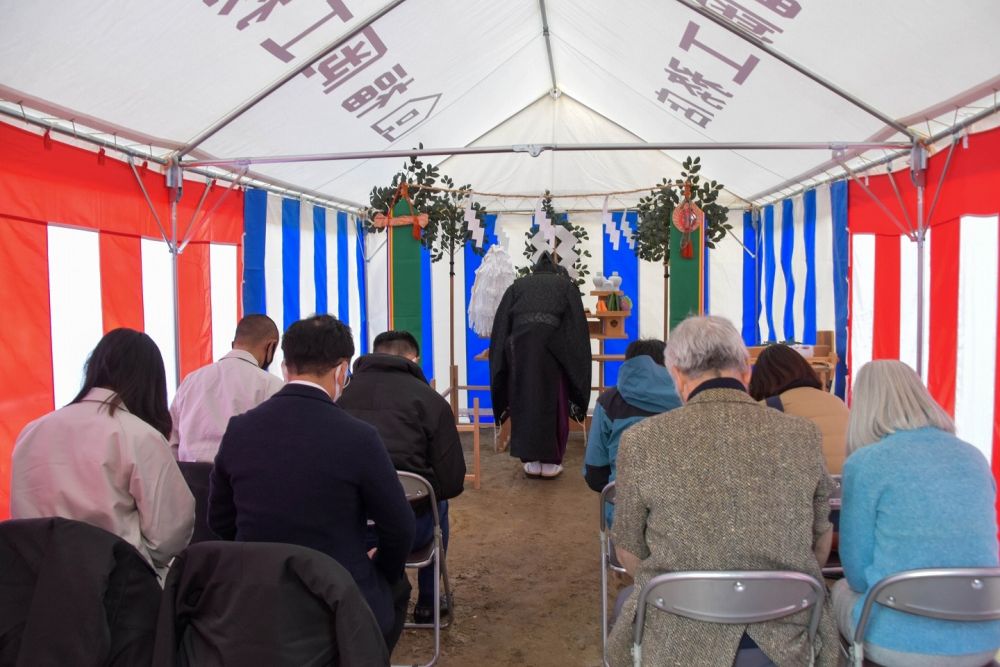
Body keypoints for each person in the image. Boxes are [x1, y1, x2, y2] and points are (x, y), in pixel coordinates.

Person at [607, 316, 838, 667]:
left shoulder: (642, 440)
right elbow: (819, 545)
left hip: (678, 636)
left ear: (677, 376)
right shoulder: (801, 434)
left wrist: (691, 595)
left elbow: (628, 550)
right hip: (785, 637)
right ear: (746, 372)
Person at [208, 315, 415, 650]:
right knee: (397, 588)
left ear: (285, 367)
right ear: (341, 371)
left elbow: (219, 519)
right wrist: (379, 568)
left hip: (258, 597)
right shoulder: (359, 438)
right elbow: (400, 527)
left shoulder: (239, 430)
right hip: (337, 600)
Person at [833, 360, 1000, 667]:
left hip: (897, 644)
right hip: (984, 638)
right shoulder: (973, 456)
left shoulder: (864, 463)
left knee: (837, 590)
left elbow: (856, 574)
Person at [11, 328, 195, 580]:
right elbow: (170, 535)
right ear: (151, 382)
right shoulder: (140, 436)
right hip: (117, 593)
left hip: (37, 589)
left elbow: (22, 523)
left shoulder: (32, 431)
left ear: (95, 368)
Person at [338, 329, 466, 624]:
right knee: (439, 505)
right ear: (415, 359)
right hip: (412, 529)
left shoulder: (342, 396)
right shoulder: (431, 401)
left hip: (352, 527)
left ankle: (360, 599)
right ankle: (428, 603)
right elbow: (452, 482)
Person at [489, 251, 591, 479]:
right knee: (555, 404)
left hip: (521, 356)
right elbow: (576, 330)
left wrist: (505, 355)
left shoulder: (517, 287)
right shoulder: (566, 286)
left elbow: (502, 327)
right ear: (554, 270)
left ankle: (531, 461)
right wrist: (572, 358)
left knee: (524, 401)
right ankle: (551, 462)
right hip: (555, 356)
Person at [583, 338, 680, 525]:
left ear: (628, 364)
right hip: (679, 515)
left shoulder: (608, 402)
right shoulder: (688, 400)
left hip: (625, 514)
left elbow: (594, 472)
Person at [170, 314, 284, 462]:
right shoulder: (271, 385)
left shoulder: (191, 380)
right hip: (240, 481)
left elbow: (171, 442)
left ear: (233, 344)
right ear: (271, 347)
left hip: (188, 480)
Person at [749, 343, 849, 474]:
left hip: (808, 488)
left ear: (760, 380)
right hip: (845, 486)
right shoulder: (837, 402)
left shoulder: (766, 409)